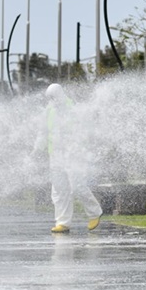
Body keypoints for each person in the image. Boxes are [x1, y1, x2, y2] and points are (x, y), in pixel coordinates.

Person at [33, 83, 103, 233]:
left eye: (53, 97)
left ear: (60, 94)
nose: (52, 100)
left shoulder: (74, 108)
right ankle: (63, 222)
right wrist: (37, 149)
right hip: (55, 155)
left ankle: (94, 213)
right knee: (59, 190)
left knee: (77, 185)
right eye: (49, 98)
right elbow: (43, 131)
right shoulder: (49, 110)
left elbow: (85, 130)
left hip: (72, 154)